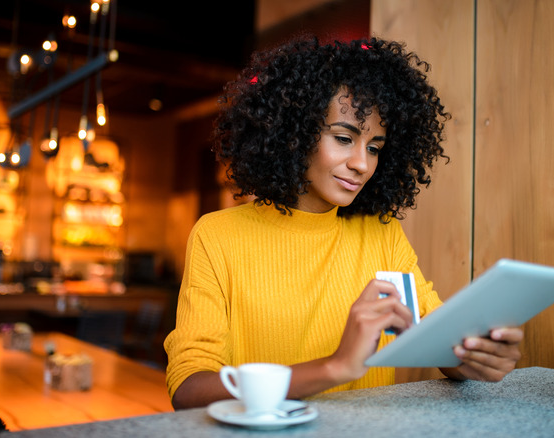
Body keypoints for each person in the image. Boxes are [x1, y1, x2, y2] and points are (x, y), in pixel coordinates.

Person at [164, 36, 523, 410]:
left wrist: (477, 354)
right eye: (343, 138)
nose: (362, 164)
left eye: (374, 148)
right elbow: (189, 389)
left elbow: (437, 340)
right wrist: (334, 367)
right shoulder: (218, 236)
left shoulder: (381, 233)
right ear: (294, 134)